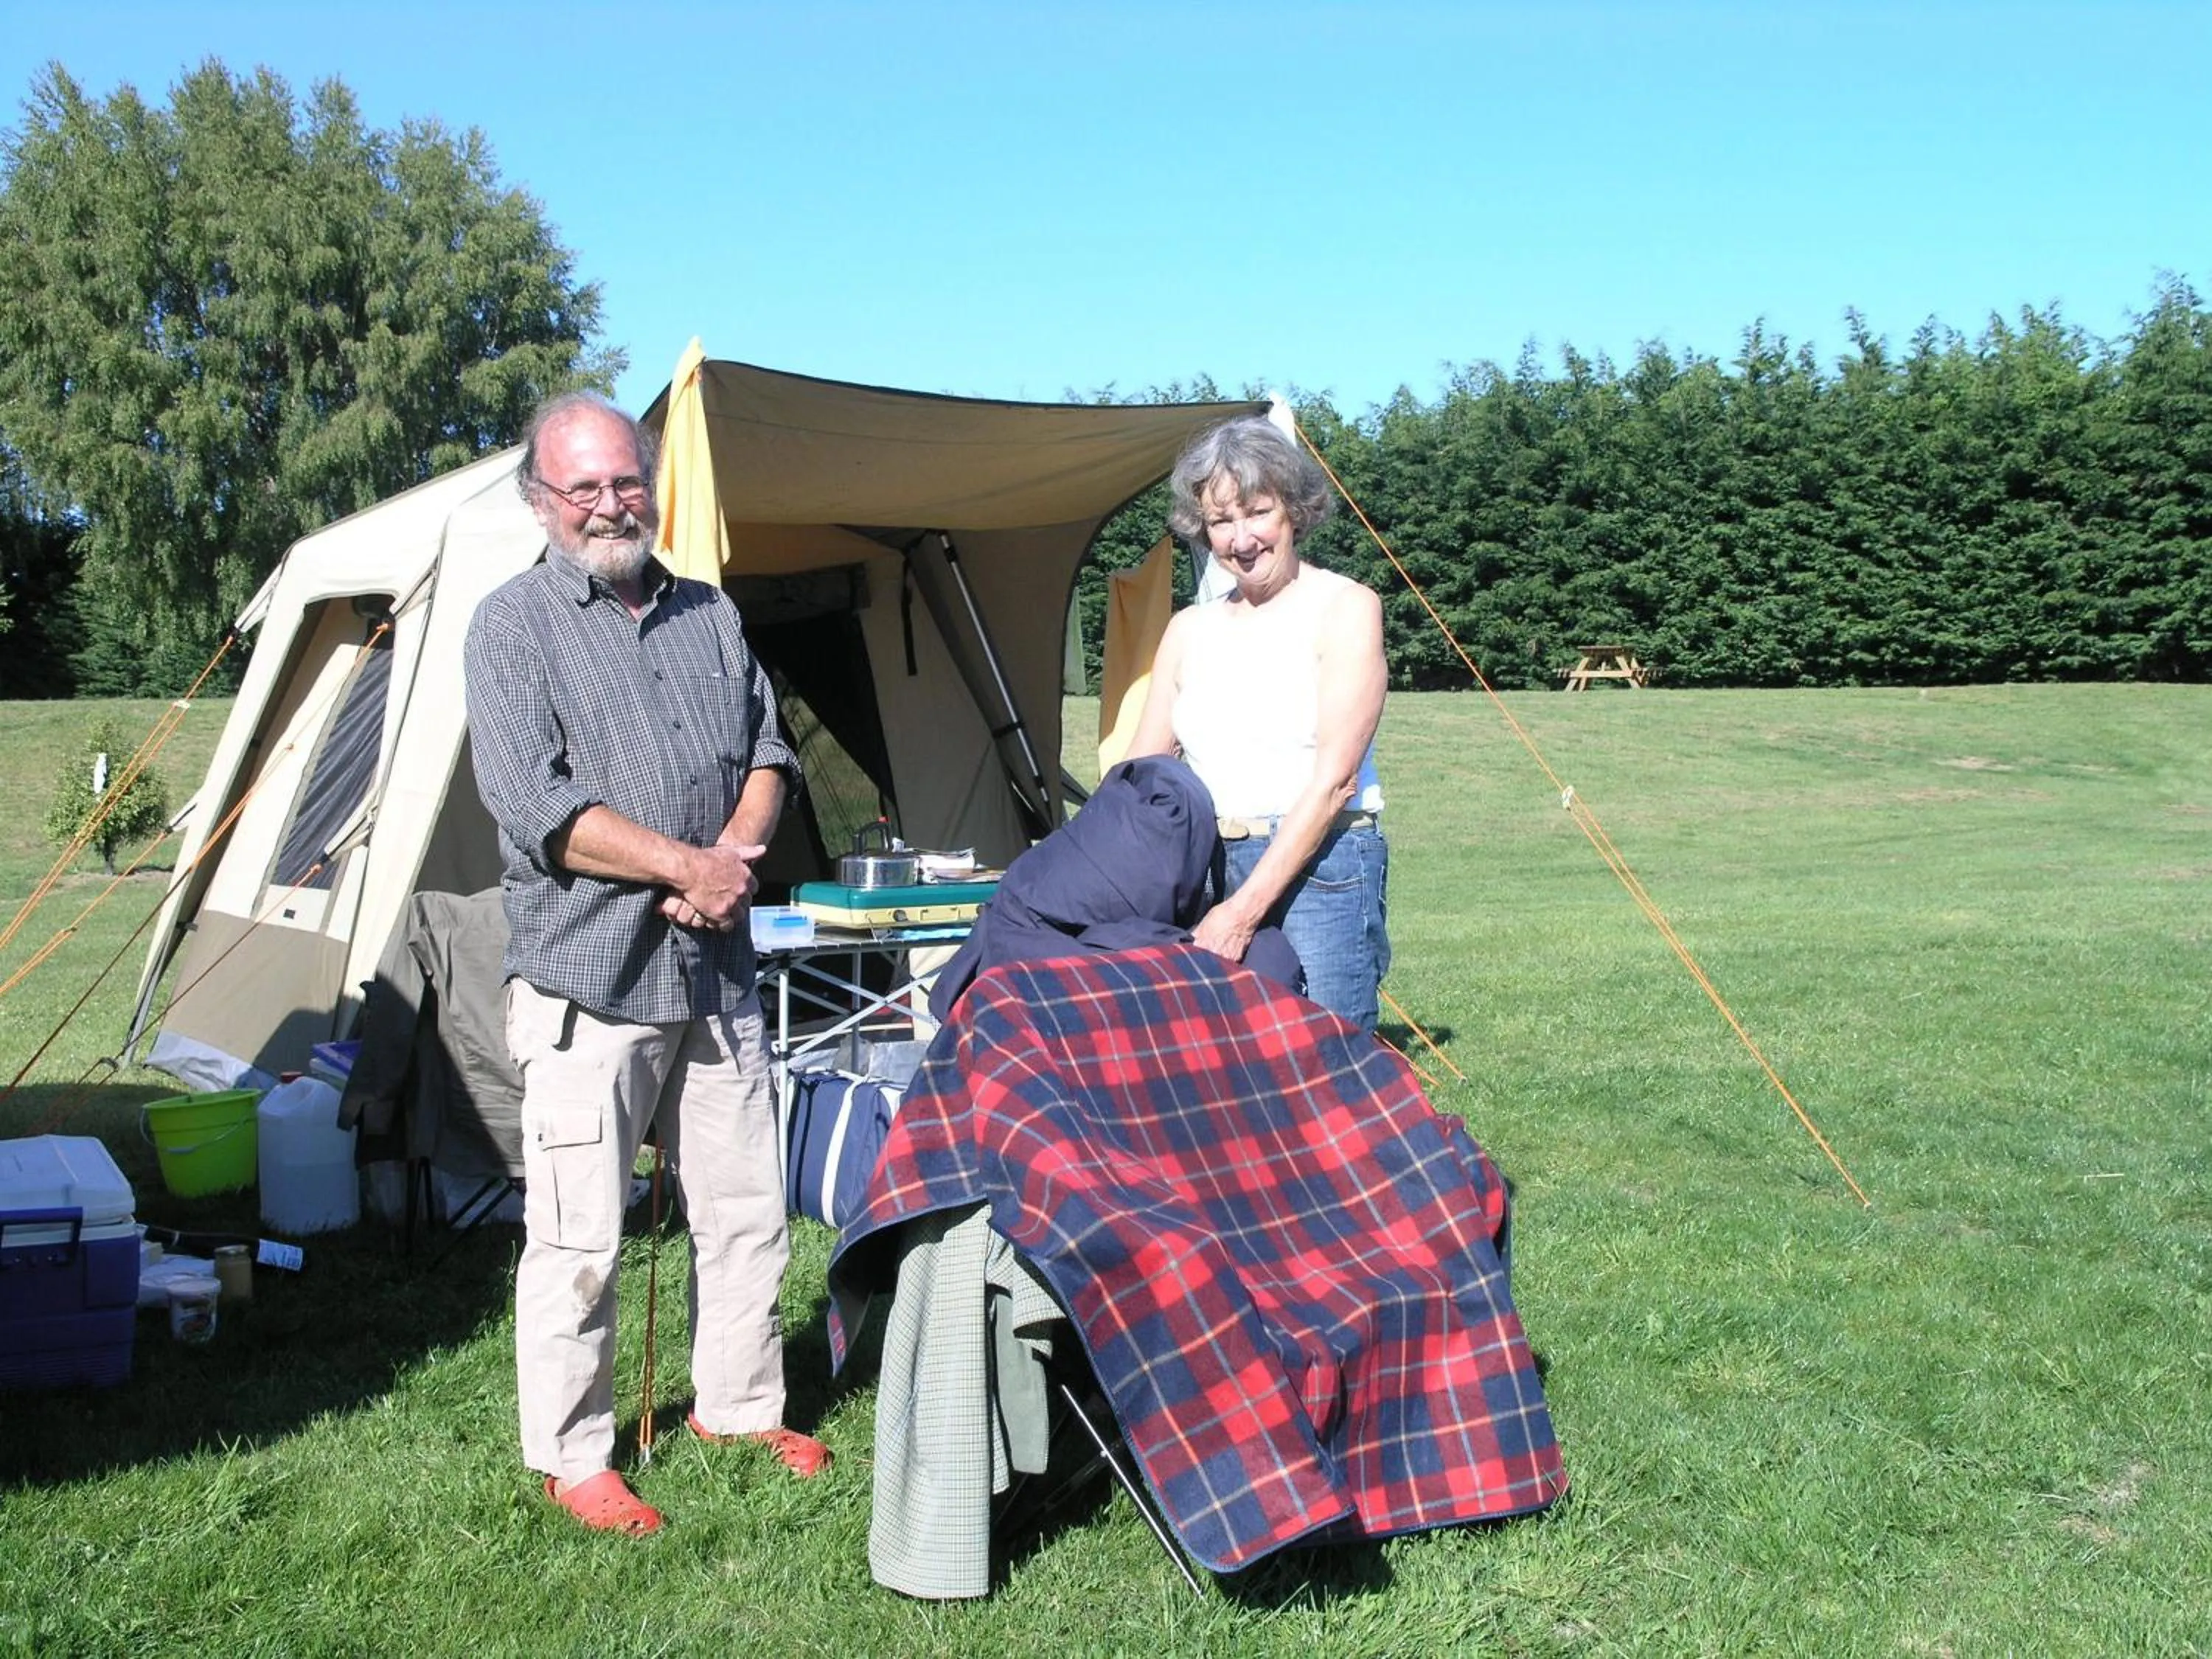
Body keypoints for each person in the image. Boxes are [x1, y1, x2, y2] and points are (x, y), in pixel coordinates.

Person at [463, 391, 827, 1537]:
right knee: (579, 1238)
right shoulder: (510, 625)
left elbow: (771, 747)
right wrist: (682, 861)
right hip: (589, 977)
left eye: (627, 480)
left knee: (746, 1209)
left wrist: (725, 859)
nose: (613, 504)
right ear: (540, 501)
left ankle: (739, 1404)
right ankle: (575, 1457)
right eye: (586, 487)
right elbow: (535, 803)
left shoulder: (711, 614)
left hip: (715, 975)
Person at [1126, 414, 1392, 1029]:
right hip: (1208, 862)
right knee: (1227, 1066)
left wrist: (1241, 913)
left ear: (1294, 511)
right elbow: (1138, 772)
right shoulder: (1189, 629)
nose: (1241, 539)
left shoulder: (1347, 608)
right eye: (1221, 521)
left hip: (1323, 865)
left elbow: (1334, 784)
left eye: (1257, 513)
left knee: (1325, 1061)